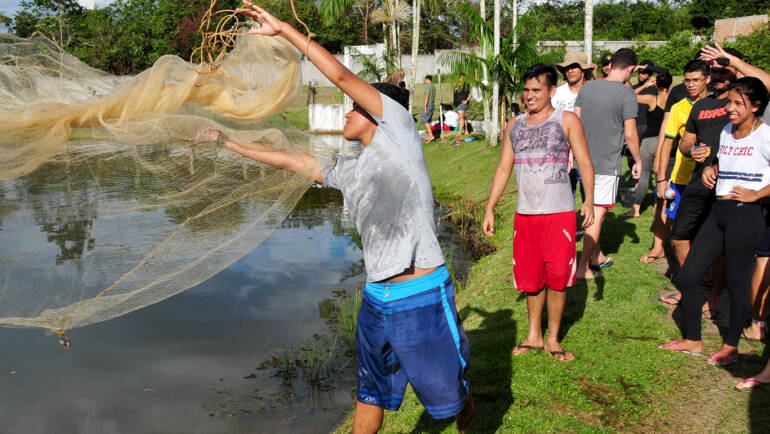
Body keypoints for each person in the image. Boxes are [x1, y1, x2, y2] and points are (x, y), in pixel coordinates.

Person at [209, 3, 476, 432]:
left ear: (377, 112)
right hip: (376, 300)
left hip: (420, 293)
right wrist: (228, 142)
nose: (347, 112)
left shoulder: (400, 134)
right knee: (370, 392)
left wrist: (283, 32)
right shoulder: (350, 167)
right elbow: (291, 161)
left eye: (354, 107)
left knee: (448, 400)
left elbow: (340, 75)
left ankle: (466, 405)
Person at [482, 64, 595, 362]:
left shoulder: (566, 120)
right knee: (531, 278)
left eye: (536, 90)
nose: (530, 96)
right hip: (525, 214)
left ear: (551, 91)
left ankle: (553, 339)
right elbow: (504, 167)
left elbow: (584, 162)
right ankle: (534, 335)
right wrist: (490, 207)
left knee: (558, 278)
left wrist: (588, 200)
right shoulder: (515, 124)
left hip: (558, 213)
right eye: (527, 90)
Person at [660, 77, 770, 366]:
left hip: (746, 216)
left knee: (736, 281)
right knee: (689, 274)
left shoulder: (764, 135)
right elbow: (723, 162)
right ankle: (693, 341)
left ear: (755, 106)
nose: (730, 108)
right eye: (729, 102)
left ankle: (731, 345)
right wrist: (711, 169)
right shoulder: (725, 130)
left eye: (738, 103)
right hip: (718, 212)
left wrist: (756, 193)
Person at [574, 48, 642, 279]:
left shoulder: (587, 87)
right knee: (598, 212)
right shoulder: (627, 94)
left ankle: (597, 255)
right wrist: (638, 160)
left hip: (581, 160)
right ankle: (583, 267)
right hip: (605, 163)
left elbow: (575, 120)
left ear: (611, 65)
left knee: (592, 209)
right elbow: (631, 135)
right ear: (631, 69)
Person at [655, 60, 711, 279]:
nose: (691, 84)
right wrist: (661, 179)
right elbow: (668, 142)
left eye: (695, 80)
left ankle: (706, 272)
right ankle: (687, 274)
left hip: (707, 178)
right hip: (680, 176)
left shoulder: (717, 105)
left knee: (704, 228)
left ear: (707, 79)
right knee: (680, 228)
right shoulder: (679, 107)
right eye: (687, 80)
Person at [624, 69, 672, 217]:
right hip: (666, 141)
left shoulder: (652, 98)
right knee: (663, 175)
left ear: (656, 83)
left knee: (643, 176)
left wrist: (644, 85)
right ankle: (658, 206)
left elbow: (629, 95)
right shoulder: (674, 100)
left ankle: (636, 209)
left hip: (649, 141)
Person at [554, 51, 596, 202]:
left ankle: (590, 224)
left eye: (574, 67)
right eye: (567, 68)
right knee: (565, 195)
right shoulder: (557, 94)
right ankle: (567, 224)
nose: (570, 71)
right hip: (561, 150)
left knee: (588, 193)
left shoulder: (593, 92)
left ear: (583, 70)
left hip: (587, 149)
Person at [422, 74, 437, 142]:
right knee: (429, 121)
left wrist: (425, 106)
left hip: (428, 105)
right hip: (432, 105)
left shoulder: (428, 86)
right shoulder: (433, 87)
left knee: (425, 120)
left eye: (425, 80)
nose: (424, 81)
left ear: (427, 79)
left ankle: (431, 135)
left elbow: (427, 96)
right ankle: (429, 136)